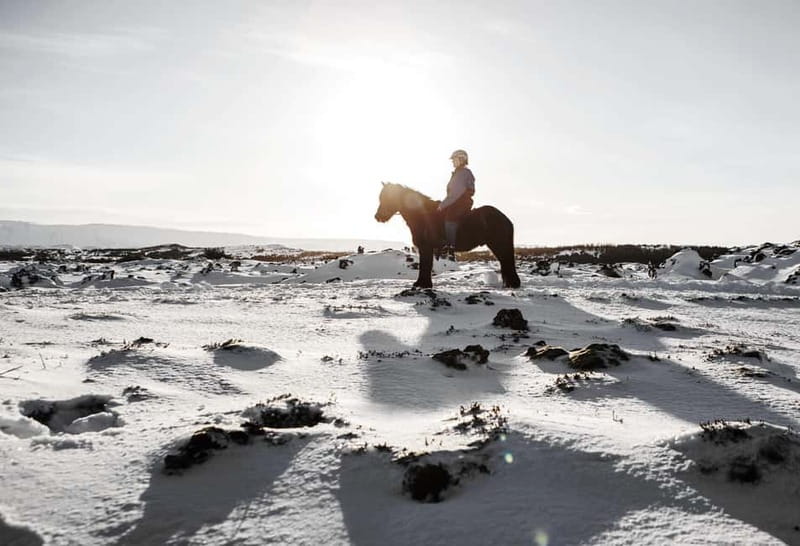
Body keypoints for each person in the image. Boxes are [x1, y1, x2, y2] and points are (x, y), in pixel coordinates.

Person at [437, 149, 475, 254]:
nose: (453, 162)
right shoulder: (459, 173)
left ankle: (450, 247)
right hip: (457, 201)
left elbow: (455, 193)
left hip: (460, 202)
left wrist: (442, 205)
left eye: (454, 159)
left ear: (462, 160)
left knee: (449, 220)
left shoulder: (463, 173)